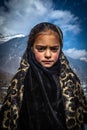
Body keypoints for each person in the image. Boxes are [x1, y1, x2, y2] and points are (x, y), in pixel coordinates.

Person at [0, 22, 87, 130]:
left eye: (54, 49)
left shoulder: (71, 81)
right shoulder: (19, 82)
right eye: (41, 48)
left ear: (60, 49)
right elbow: (7, 120)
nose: (48, 55)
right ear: (31, 48)